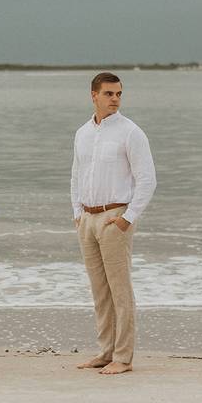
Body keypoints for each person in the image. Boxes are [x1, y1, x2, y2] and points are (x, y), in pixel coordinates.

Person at [71, 72, 157, 375]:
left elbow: (147, 180)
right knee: (99, 292)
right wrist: (77, 213)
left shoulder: (131, 132)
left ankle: (123, 357)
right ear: (94, 95)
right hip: (88, 219)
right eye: (109, 94)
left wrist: (127, 219)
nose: (115, 99)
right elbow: (76, 175)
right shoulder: (82, 132)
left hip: (114, 217)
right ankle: (105, 352)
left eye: (119, 94)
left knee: (120, 291)